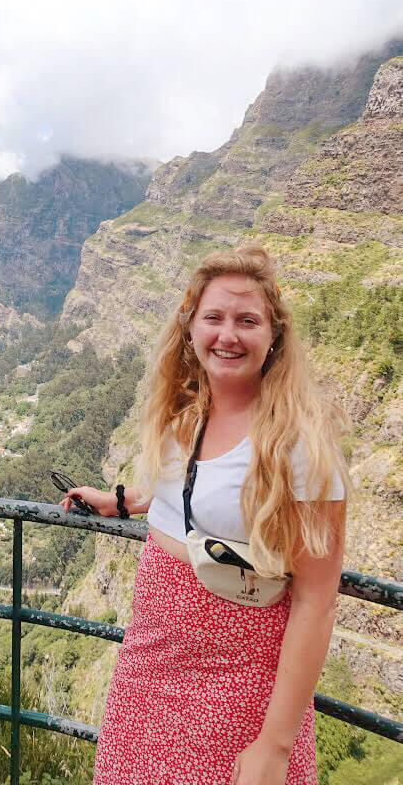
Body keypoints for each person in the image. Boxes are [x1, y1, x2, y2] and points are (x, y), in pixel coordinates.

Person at [60, 246, 349, 785]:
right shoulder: (188, 408)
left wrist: (275, 747)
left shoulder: (301, 448)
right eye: (213, 318)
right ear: (190, 326)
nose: (228, 335)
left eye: (247, 321)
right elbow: (197, 485)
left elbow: (317, 599)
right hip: (150, 662)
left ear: (274, 336)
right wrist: (127, 501)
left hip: (237, 681)